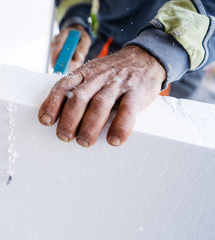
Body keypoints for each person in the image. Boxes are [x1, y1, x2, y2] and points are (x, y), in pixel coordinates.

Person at [38, 0, 215, 147]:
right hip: (109, 43)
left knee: (151, 142)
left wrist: (159, 50)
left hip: (173, 61)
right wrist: (75, 18)